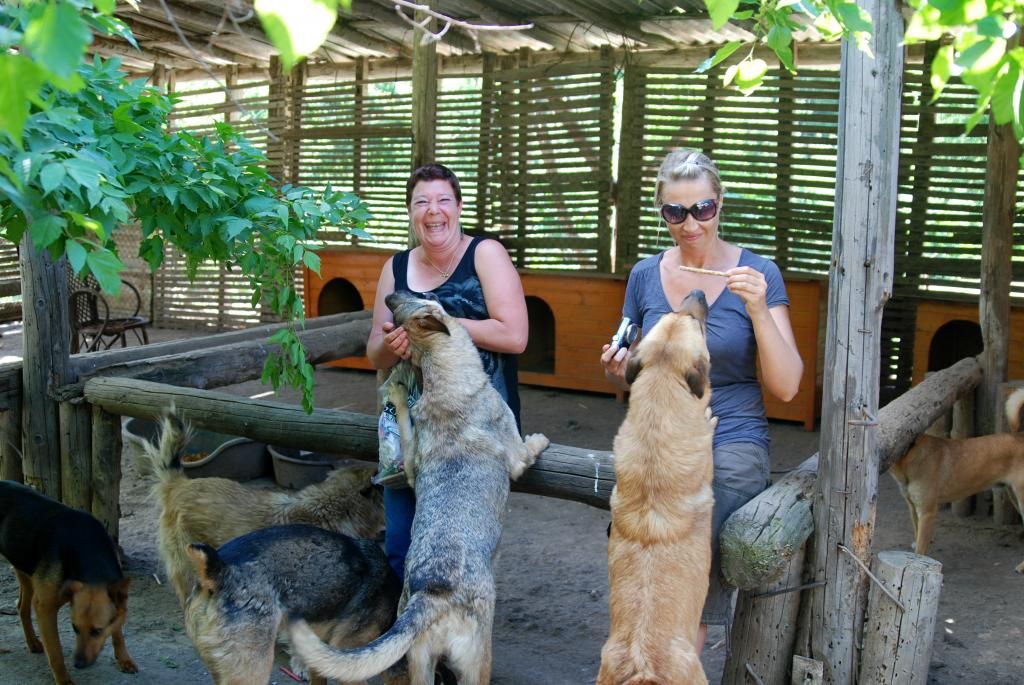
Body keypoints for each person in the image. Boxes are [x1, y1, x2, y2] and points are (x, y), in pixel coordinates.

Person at [599, 148, 804, 649]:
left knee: (687, 564)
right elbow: (631, 376)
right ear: (661, 212)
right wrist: (617, 371)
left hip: (730, 438)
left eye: (702, 209)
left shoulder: (757, 274)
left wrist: (757, 309)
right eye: (675, 211)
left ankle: (676, 654)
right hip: (659, 440)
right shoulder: (645, 275)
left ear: (719, 204)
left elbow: (788, 385)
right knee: (636, 559)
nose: (690, 224)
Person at [367, 162, 529, 581]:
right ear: (409, 212)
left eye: (443, 200)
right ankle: (406, 643)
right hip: (411, 431)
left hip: (475, 427)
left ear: (458, 207)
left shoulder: (485, 254)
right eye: (421, 202)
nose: (433, 211)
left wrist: (439, 324)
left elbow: (515, 336)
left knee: (459, 549)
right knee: (402, 546)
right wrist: (392, 344)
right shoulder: (395, 268)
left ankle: (456, 642)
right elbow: (374, 355)